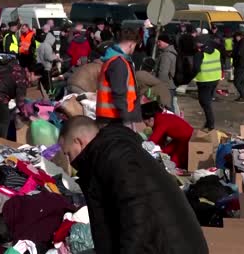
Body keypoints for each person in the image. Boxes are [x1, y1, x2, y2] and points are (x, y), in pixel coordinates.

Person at [58, 116, 208, 254]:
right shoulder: (106, 156)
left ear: (79, 141)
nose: (70, 161)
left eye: (68, 153)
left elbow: (137, 215)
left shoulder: (117, 156)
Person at [96, 28, 140, 129]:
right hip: (114, 118)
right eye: (135, 46)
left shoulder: (111, 59)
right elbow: (119, 92)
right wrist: (126, 119)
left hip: (110, 117)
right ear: (131, 44)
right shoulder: (119, 63)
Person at [0, 56, 30, 140]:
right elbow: (20, 102)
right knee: (5, 120)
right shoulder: (22, 79)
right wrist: (27, 115)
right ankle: (0, 143)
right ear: (31, 73)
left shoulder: (16, 67)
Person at [142, 101, 193, 169]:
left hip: (186, 139)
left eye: (146, 124)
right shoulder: (161, 118)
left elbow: (153, 140)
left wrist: (143, 147)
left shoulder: (161, 121)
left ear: (151, 119)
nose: (147, 126)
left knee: (174, 161)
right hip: (180, 138)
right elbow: (160, 140)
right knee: (166, 151)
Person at [193, 36, 222, 130]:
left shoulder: (200, 54)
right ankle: (209, 121)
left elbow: (196, 68)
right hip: (215, 79)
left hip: (204, 80)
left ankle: (210, 123)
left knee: (204, 102)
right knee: (207, 101)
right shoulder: (216, 51)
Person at [155, 34, 177, 111]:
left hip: (166, 86)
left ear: (165, 42)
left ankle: (172, 122)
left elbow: (163, 73)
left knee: (167, 107)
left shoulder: (166, 55)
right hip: (169, 85)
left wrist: (158, 85)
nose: (157, 43)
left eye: (159, 41)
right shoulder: (171, 52)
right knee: (169, 106)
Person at [232, 32, 244, 103]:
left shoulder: (242, 43)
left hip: (240, 64)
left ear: (239, 36)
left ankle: (243, 96)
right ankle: (242, 96)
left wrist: (233, 54)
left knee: (237, 82)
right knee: (242, 81)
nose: (235, 39)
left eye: (236, 37)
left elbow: (239, 53)